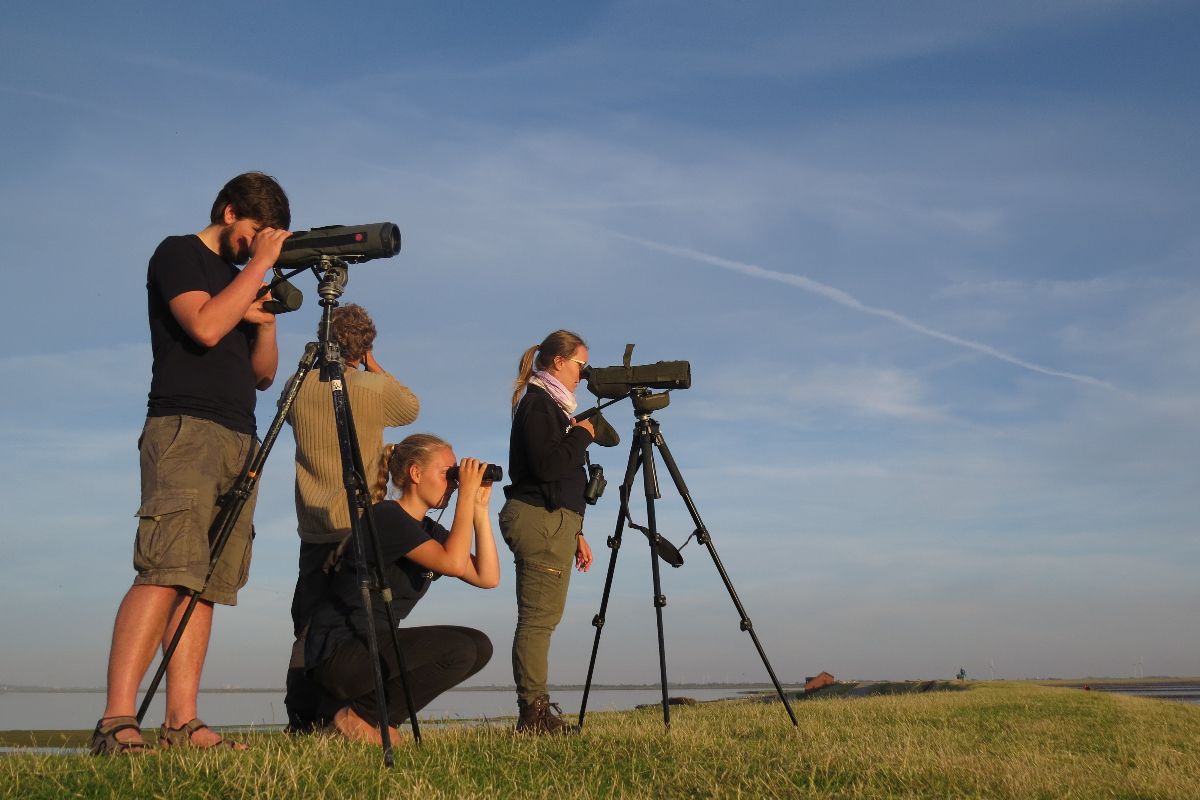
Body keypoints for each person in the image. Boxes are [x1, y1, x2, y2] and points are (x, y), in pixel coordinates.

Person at [91, 172, 291, 754]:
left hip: (238, 436)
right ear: (230, 213)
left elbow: (263, 375)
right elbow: (202, 325)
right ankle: (116, 719)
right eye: (255, 234)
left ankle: (183, 721)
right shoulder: (177, 253)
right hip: (184, 429)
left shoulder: (240, 281)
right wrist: (256, 272)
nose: (257, 248)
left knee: (204, 586)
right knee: (164, 569)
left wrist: (267, 320)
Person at [304, 434, 498, 742]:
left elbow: (487, 577)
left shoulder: (428, 530)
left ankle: (380, 721)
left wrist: (479, 511)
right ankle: (357, 716)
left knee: (477, 646)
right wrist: (465, 498)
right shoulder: (386, 516)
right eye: (447, 474)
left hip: (373, 648)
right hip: (341, 654)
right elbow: (453, 563)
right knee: (459, 648)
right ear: (416, 474)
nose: (453, 483)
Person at [282, 304, 419, 732]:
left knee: (308, 623)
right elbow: (410, 408)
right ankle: (344, 710)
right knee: (355, 619)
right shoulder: (373, 389)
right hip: (360, 523)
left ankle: (301, 716)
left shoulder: (296, 385)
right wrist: (374, 364)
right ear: (366, 344)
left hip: (314, 523)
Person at [500, 329, 597, 734]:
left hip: (551, 520)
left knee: (542, 619)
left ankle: (536, 711)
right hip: (540, 521)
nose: (584, 375)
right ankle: (534, 715)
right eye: (581, 365)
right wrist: (582, 435)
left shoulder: (549, 404)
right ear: (559, 362)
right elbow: (545, 466)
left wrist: (575, 531)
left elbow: (552, 478)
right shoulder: (540, 405)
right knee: (537, 621)